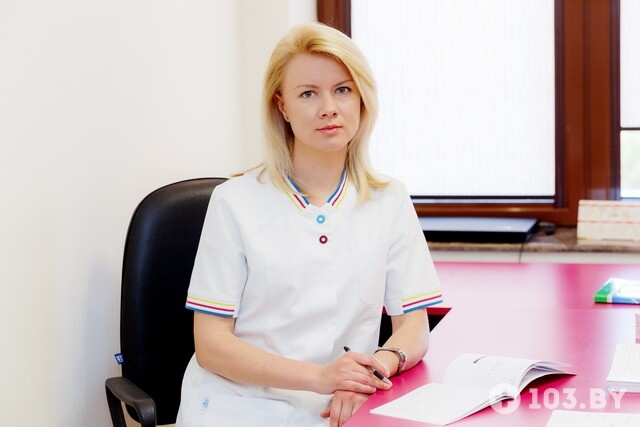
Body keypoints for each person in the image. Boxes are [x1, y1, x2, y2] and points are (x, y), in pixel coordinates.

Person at [176, 22, 442, 427]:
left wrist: (370, 372)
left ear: (361, 98)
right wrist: (320, 377)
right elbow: (211, 345)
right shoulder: (235, 201)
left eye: (342, 89)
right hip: (240, 407)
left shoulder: (388, 199)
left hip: (340, 407)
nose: (329, 108)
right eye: (308, 94)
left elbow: (413, 326)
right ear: (282, 106)